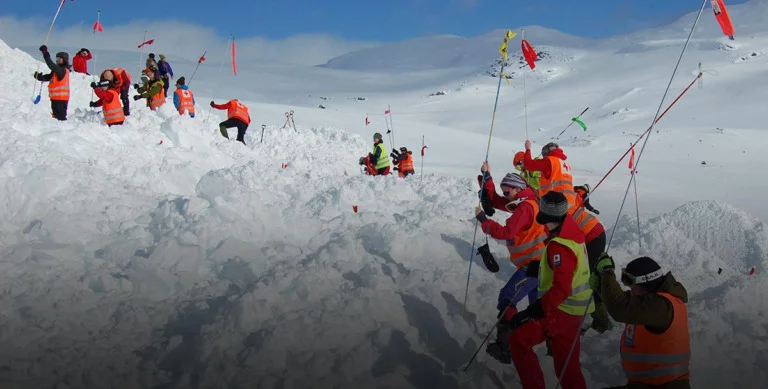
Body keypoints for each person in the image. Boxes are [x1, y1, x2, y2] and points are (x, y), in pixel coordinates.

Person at [500, 191, 594, 389]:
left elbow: (561, 289)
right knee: (567, 366)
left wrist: (533, 311)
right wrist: (541, 268)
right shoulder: (572, 233)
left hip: (561, 311)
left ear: (546, 215)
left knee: (518, 340)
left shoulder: (559, 246)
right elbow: (569, 270)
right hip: (576, 313)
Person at [473, 162, 548, 364]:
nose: (505, 195)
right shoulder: (527, 201)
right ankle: (542, 339)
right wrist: (486, 178)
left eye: (508, 192)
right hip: (538, 264)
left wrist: (483, 220)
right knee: (537, 306)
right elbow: (497, 201)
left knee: (507, 298)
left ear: (517, 189)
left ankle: (505, 348)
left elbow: (507, 232)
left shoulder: (525, 208)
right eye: (505, 192)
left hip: (532, 265)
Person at [591, 254, 690, 389]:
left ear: (645, 285)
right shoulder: (650, 302)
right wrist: (602, 288)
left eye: (633, 287)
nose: (631, 292)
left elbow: (620, 307)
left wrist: (606, 272)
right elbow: (621, 302)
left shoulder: (662, 305)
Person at [570, 183, 611, 333]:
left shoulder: (564, 199)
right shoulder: (572, 196)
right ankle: (593, 316)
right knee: (583, 276)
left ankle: (600, 319)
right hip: (593, 233)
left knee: (587, 277)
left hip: (593, 236)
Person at [522, 140, 577, 208]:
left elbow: (528, 164)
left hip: (555, 202)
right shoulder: (565, 164)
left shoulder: (549, 161)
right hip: (569, 201)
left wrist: (528, 149)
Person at [33, 45, 70, 121]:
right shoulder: (57, 71)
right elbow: (49, 77)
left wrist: (45, 53)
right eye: (56, 58)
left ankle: (64, 131)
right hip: (55, 99)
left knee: (61, 119)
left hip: (61, 99)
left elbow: (51, 65)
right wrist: (40, 77)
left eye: (59, 58)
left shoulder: (63, 70)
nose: (57, 60)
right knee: (56, 118)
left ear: (64, 60)